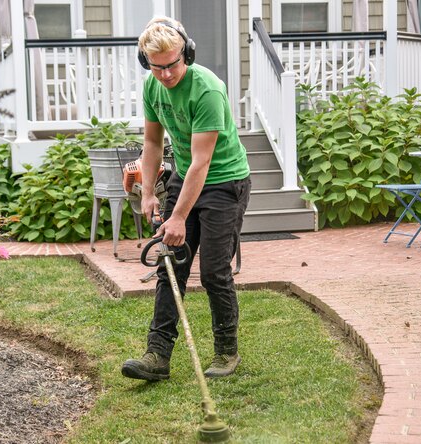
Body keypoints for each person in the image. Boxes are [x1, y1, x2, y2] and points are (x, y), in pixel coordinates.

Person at [121, 17, 251, 381]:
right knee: (169, 265)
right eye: (156, 66)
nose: (164, 74)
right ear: (146, 62)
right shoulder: (153, 86)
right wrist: (147, 192)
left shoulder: (206, 89)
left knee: (213, 270)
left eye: (172, 64)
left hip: (224, 182)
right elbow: (151, 142)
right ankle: (157, 356)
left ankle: (226, 352)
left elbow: (202, 162)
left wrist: (177, 218)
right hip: (184, 177)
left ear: (187, 54)